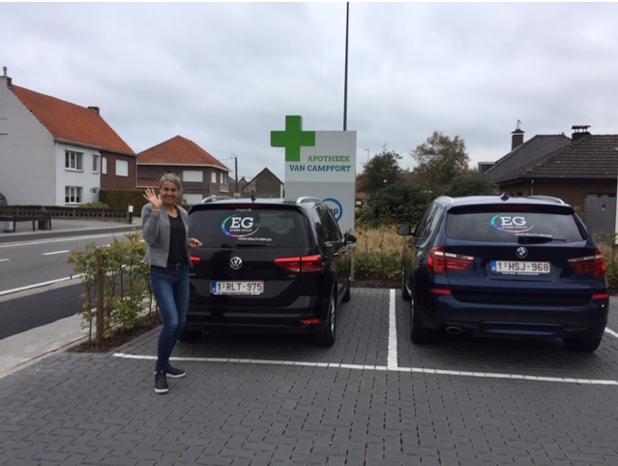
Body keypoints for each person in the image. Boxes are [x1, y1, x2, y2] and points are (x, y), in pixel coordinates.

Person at [142, 173, 202, 394]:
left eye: (173, 190)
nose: (169, 193)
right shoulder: (150, 209)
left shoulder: (183, 213)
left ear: (179, 192)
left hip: (181, 272)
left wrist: (187, 242)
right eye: (165, 189)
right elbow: (150, 238)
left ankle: (165, 362)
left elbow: (172, 237)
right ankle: (160, 371)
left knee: (182, 320)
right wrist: (156, 211)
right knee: (172, 321)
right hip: (162, 274)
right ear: (160, 191)